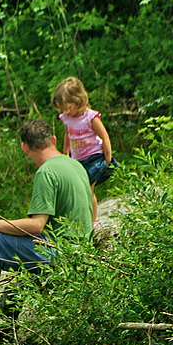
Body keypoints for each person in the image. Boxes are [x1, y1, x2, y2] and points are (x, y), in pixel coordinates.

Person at [0, 119, 92, 328]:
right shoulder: (76, 165)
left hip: (59, 254)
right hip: (80, 251)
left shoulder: (47, 172)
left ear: (24, 147)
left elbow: (37, 226)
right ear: (53, 139)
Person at [52, 77, 116, 230]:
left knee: (88, 188)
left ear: (78, 101)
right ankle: (79, 218)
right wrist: (66, 152)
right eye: (62, 109)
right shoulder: (66, 118)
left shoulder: (90, 117)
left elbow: (104, 136)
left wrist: (108, 156)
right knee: (77, 188)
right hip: (78, 158)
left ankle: (93, 221)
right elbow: (68, 134)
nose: (65, 112)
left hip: (94, 156)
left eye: (67, 107)